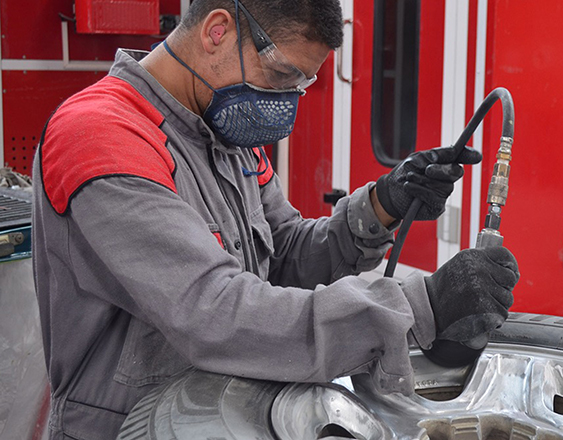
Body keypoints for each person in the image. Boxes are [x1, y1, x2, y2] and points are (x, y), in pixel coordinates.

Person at [31, 0, 519, 438]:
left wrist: (382, 205)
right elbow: (215, 311)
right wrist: (419, 307)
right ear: (217, 31)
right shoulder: (102, 136)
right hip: (127, 427)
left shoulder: (225, 135)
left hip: (228, 414)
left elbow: (284, 253)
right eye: (283, 75)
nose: (287, 102)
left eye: (302, 84)